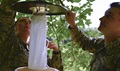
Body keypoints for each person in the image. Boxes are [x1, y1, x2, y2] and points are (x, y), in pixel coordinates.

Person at [65, 2, 120, 71]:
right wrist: (72, 24)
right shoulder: (101, 43)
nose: (101, 19)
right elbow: (84, 42)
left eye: (109, 16)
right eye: (104, 15)